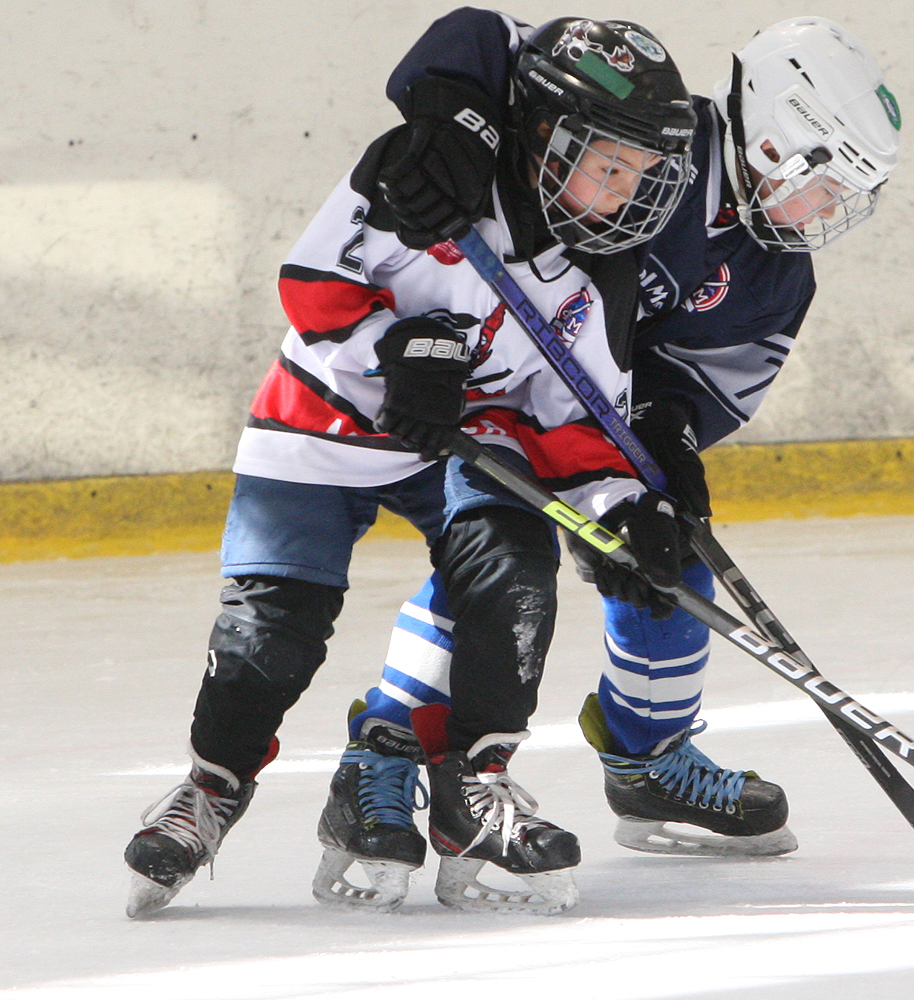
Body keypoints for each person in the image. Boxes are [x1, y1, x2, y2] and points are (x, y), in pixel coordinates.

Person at [314, 13, 901, 908]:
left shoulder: (781, 273)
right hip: (490, 389)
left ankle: (647, 759)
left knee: (671, 558)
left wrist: (672, 434)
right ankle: (385, 744)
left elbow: (711, 377)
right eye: (824, 189)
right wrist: (448, 115)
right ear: (780, 140)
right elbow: (490, 42)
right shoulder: (647, 136)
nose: (826, 214)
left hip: (606, 423)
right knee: (497, 558)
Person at [122, 12, 697, 919]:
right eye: (611, 165)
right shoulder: (421, 172)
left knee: (515, 579)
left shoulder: (601, 270)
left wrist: (625, 506)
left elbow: (570, 415)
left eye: (642, 174)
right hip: (324, 420)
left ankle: (475, 786)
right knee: (270, 632)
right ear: (546, 137)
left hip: (469, 441)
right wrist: (399, 352)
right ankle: (211, 786)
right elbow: (312, 286)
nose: (629, 194)